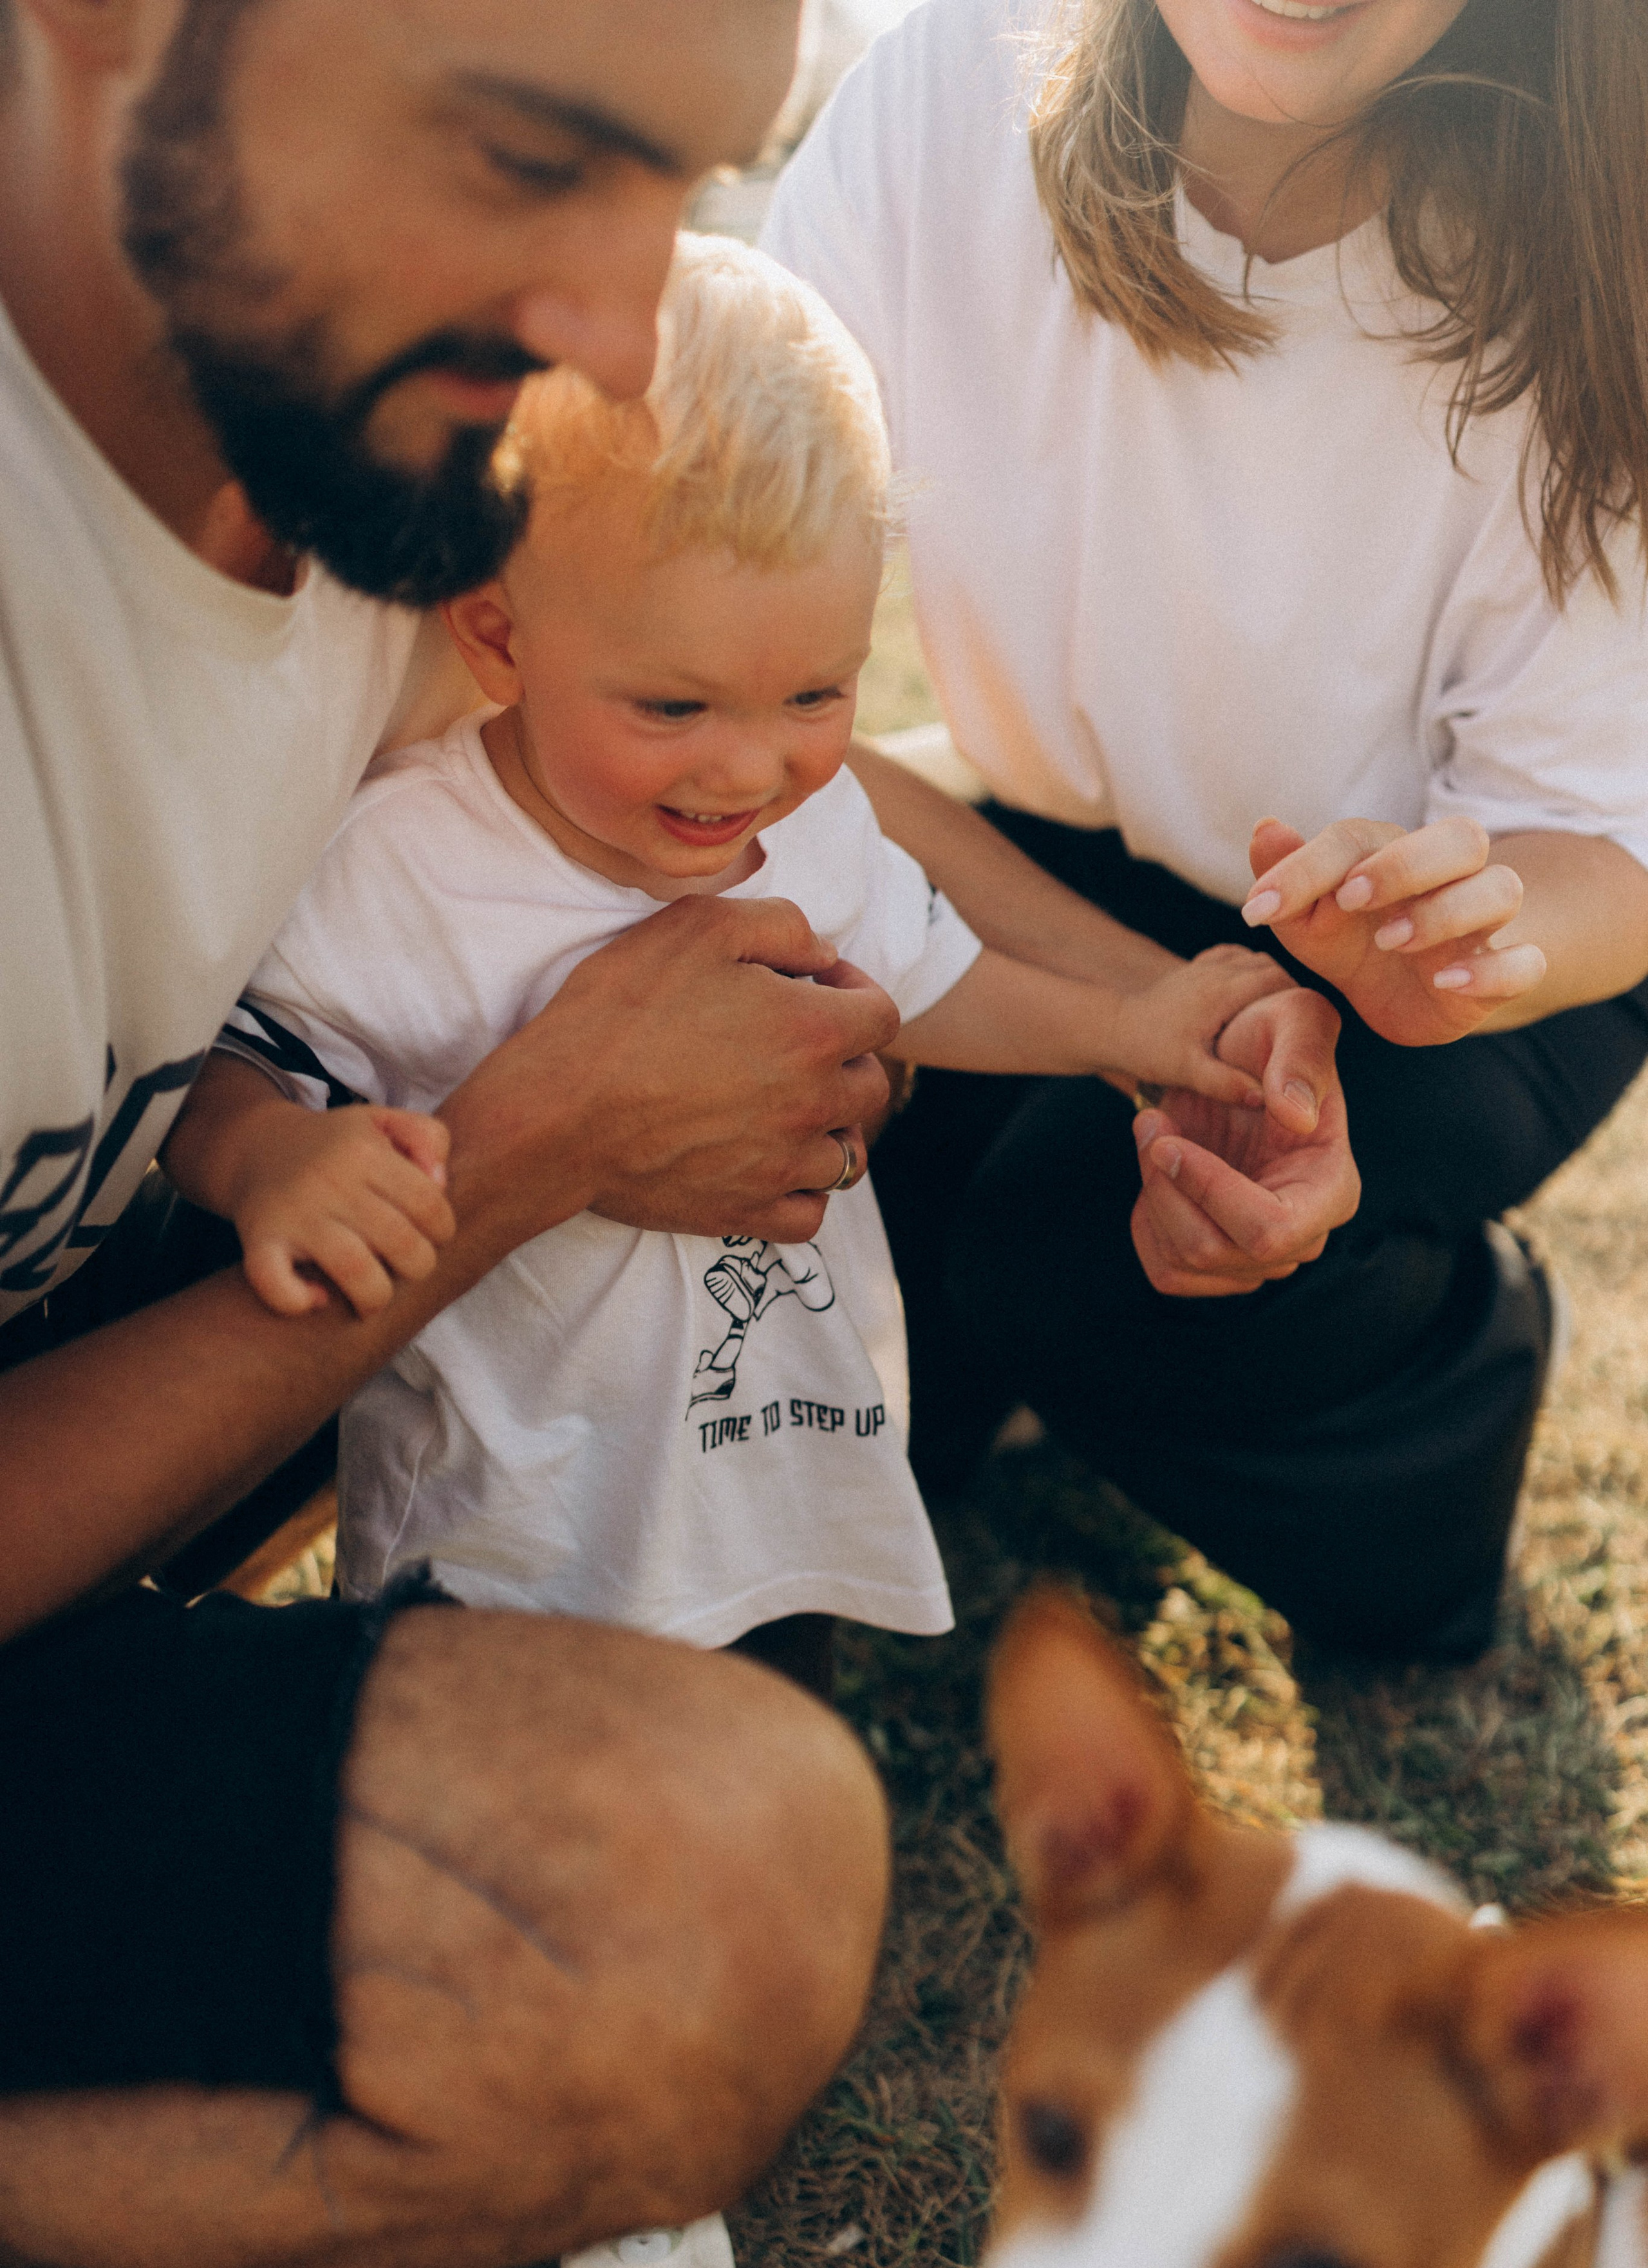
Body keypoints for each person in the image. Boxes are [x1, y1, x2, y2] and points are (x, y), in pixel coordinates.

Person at [0, 0, 903, 2268]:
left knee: (715, 1889)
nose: (615, 338)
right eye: (529, 157)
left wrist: (1179, 1017)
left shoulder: (374, 496)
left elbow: (792, 776)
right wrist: (531, 1153)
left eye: (686, 202)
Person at [165, 234, 1321, 1691]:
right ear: (497, 635)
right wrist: (267, 1156)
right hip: (510, 1533)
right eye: (672, 704)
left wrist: (1131, 1025)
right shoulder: (405, 858)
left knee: (764, 1765)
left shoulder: (815, 823)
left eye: (814, 694)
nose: (749, 766)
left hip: (773, 1481)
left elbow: (930, 981)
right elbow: (225, 1061)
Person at [765, 0, 1648, 1671]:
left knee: (1082, 1260)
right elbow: (728, 716)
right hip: (1074, 851)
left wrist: (1463, 953)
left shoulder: (1605, 236)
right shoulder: (952, 86)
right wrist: (1144, 1016)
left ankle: (1445, 1394)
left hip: (1494, 924)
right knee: (839, 1243)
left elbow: (1610, 841)